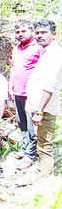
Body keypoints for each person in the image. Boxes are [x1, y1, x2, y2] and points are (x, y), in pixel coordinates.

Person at [26, 19, 62, 177]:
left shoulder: (54, 54)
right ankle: (43, 173)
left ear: (54, 34)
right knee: (41, 142)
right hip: (40, 107)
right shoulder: (46, 52)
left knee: (44, 145)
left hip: (45, 108)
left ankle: (44, 180)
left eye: (44, 32)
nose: (39, 36)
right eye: (37, 32)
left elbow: (49, 85)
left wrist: (39, 111)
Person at [9, 21, 42, 170]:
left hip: (31, 94)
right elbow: (13, 68)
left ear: (31, 31)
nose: (20, 34)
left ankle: (31, 155)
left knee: (31, 125)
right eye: (17, 32)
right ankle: (24, 148)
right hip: (17, 93)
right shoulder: (16, 48)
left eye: (23, 31)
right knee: (22, 124)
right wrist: (11, 86)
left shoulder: (39, 48)